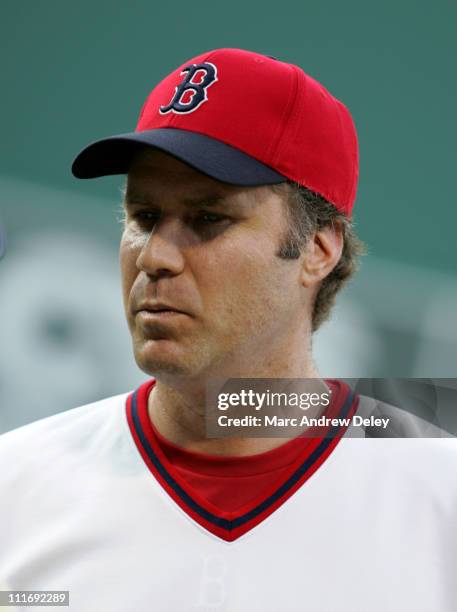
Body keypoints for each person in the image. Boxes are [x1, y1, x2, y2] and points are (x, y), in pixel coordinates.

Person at [0, 48, 455, 612]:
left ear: (318, 249)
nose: (156, 256)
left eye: (207, 218)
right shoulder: (15, 491)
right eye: (143, 218)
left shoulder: (439, 497)